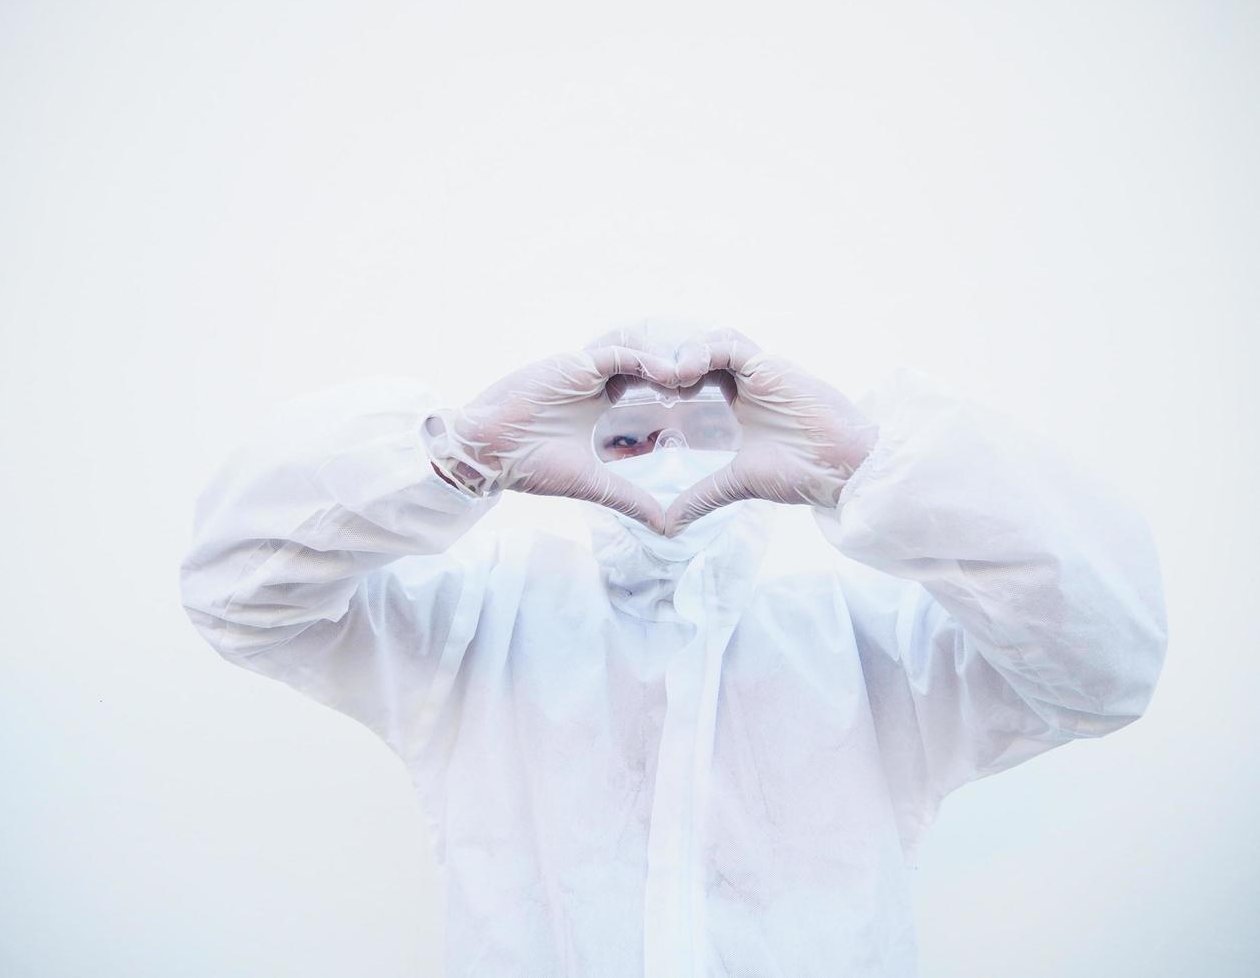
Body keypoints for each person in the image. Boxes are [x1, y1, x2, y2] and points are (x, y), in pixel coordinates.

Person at [179, 325, 1167, 977]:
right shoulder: (473, 627)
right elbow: (238, 591)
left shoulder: (875, 645)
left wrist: (869, 465)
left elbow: (1106, 659)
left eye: (710, 429)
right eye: (627, 436)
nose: (670, 460)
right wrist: (455, 451)